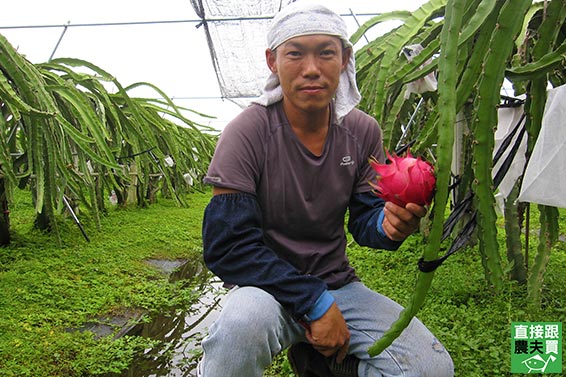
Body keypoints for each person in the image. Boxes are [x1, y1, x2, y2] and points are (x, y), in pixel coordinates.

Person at [199, 2, 454, 376]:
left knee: (431, 368)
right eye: (295, 54)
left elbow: (365, 217)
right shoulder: (247, 133)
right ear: (273, 61)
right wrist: (314, 302)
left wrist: (387, 224)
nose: (312, 69)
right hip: (265, 290)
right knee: (240, 328)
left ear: (345, 58)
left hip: (336, 285)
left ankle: (324, 365)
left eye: (326, 53)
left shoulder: (363, 131)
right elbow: (227, 247)